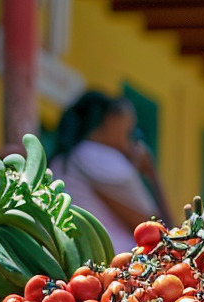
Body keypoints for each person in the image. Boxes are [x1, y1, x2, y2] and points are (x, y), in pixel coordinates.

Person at [48, 91, 169, 254]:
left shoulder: (62, 160)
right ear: (112, 120)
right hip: (113, 266)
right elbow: (160, 231)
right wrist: (152, 176)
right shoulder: (103, 158)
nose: (133, 137)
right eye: (130, 130)